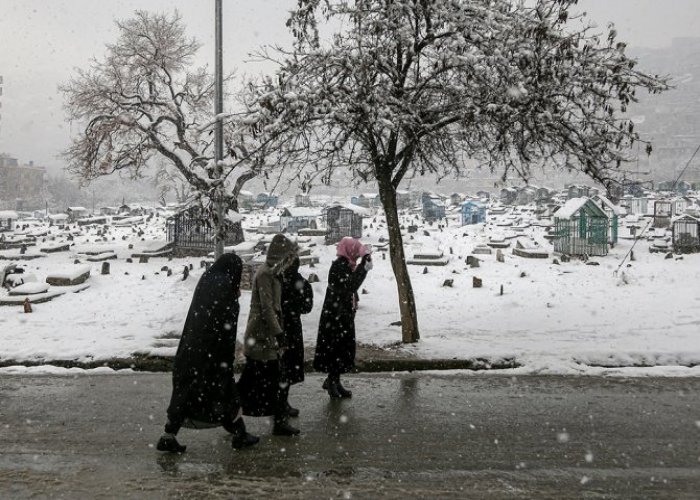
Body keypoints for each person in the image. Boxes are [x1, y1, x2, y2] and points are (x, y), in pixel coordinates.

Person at [157, 253, 259, 453]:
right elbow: (225, 324)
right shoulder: (224, 286)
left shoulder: (209, 279)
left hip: (192, 349)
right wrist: (227, 353)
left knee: (185, 394)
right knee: (225, 392)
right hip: (212, 353)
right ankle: (239, 434)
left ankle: (168, 435)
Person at [238, 234, 301, 436]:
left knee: (271, 380)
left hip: (267, 337)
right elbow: (267, 309)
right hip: (261, 337)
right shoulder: (265, 274)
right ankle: (232, 414)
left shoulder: (273, 273)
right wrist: (279, 333)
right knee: (262, 380)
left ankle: (276, 420)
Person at [313, 237, 372, 399]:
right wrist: (363, 268)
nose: (358, 256)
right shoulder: (339, 266)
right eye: (356, 252)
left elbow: (352, 285)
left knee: (340, 349)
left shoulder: (346, 264)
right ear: (349, 251)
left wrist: (362, 266)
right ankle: (332, 382)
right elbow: (351, 285)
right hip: (335, 316)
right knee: (336, 349)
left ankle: (334, 381)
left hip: (340, 314)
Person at [280, 255, 314, 417]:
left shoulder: (278, 281)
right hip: (292, 327)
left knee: (280, 366)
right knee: (288, 366)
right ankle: (282, 402)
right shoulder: (301, 283)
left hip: (278, 326)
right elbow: (307, 307)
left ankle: (279, 401)